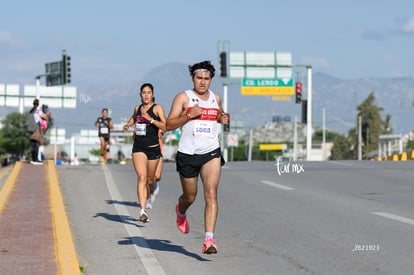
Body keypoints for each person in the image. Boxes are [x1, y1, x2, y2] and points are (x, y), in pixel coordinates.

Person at [166, 60, 229, 254]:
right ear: (192, 78)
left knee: (211, 193)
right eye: (199, 78)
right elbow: (168, 124)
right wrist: (188, 116)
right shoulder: (183, 98)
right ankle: (181, 210)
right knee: (190, 196)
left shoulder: (215, 98)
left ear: (211, 80)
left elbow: (217, 115)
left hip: (211, 152)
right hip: (188, 154)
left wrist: (222, 118)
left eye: (206, 79)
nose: (202, 82)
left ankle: (209, 240)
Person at [123, 83, 167, 223]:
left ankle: (153, 188)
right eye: (143, 92)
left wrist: (151, 120)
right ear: (140, 95)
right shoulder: (138, 108)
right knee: (142, 177)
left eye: (149, 92)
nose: (146, 95)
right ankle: (142, 211)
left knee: (150, 178)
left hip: (153, 147)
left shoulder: (157, 108)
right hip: (139, 147)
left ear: (152, 94)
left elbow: (165, 126)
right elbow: (133, 118)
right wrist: (128, 125)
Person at [28, 99, 50, 165]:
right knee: (37, 143)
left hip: (31, 129)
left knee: (33, 144)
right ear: (38, 104)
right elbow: (45, 117)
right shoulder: (38, 111)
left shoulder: (31, 110)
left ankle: (33, 159)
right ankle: (36, 159)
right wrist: (47, 114)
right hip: (37, 128)